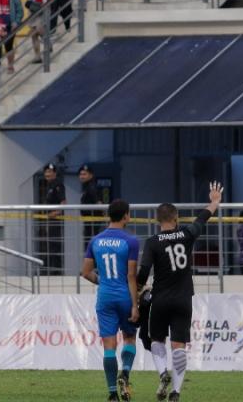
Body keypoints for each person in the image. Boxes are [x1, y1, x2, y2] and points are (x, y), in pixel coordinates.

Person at [137, 182, 224, 402]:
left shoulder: (152, 243)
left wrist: (139, 288)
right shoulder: (186, 235)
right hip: (183, 299)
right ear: (176, 219)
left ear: (158, 221)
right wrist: (214, 202)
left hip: (160, 299)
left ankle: (162, 374)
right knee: (179, 346)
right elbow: (202, 218)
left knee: (156, 339)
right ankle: (176, 392)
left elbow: (144, 271)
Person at [81, 199, 140, 402]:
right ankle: (124, 372)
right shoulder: (131, 241)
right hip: (124, 295)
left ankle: (113, 393)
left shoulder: (95, 241)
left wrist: (103, 282)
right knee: (130, 338)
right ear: (125, 216)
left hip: (104, 296)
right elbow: (131, 276)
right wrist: (135, 304)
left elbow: (85, 272)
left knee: (109, 345)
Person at [38, 162, 66, 276]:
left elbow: (63, 203)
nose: (47, 174)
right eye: (46, 172)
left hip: (56, 220)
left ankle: (56, 271)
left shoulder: (58, 185)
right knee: (49, 243)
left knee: (55, 244)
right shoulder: (48, 186)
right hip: (50, 220)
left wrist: (55, 213)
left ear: (55, 173)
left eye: (50, 172)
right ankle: (49, 269)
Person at [79, 163, 102, 249]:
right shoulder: (86, 187)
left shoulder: (92, 187)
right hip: (88, 222)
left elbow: (99, 203)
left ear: (91, 175)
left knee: (91, 247)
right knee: (89, 247)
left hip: (93, 223)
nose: (82, 176)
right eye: (81, 174)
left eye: (84, 174)